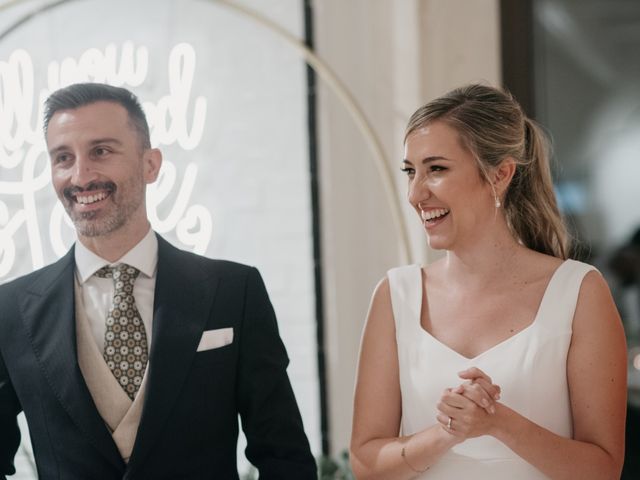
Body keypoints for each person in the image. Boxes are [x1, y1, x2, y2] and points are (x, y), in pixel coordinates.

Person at [0, 83, 316, 479]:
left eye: (101, 151)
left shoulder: (234, 292)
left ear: (150, 164)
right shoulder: (10, 311)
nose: (80, 175)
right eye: (63, 157)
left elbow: (284, 457)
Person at [350, 84, 627, 479]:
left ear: (500, 175)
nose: (415, 193)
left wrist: (498, 423)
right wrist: (447, 433)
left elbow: (603, 470)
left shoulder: (579, 292)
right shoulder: (395, 295)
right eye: (411, 171)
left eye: (437, 169)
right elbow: (365, 464)